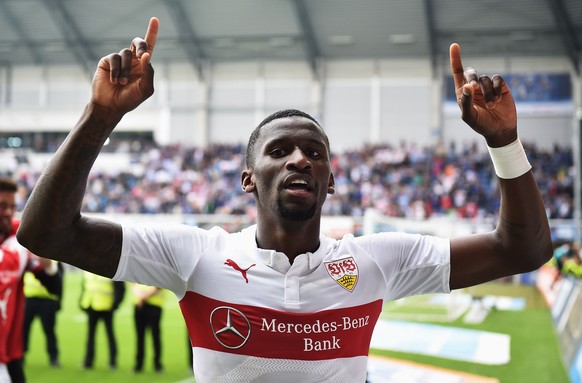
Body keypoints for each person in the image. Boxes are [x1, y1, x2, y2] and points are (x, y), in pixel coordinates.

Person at [16, 17, 552, 382]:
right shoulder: (195, 255)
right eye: (281, 150)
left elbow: (522, 250)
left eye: (315, 152)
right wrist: (101, 116)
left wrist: (503, 141)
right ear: (249, 179)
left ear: (332, 182)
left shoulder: (378, 261)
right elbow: (46, 234)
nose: (300, 159)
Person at [0, 178, 61, 383]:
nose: (8, 212)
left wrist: (49, 265)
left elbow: (54, 286)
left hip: (9, 355)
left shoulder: (19, 240)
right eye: (2, 206)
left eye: (12, 206)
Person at [79, 271, 125, 370]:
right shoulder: (87, 271)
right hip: (91, 305)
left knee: (110, 335)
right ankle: (88, 361)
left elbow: (120, 288)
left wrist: (115, 305)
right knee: (90, 335)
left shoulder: (109, 269)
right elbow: (85, 287)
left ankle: (113, 361)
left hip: (106, 306)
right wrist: (82, 302)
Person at [23, 261, 64, 368]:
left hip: (47, 299)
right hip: (29, 298)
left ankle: (53, 357)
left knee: (49, 330)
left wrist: (59, 301)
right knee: (24, 330)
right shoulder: (27, 256)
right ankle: (21, 356)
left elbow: (60, 280)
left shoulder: (53, 257)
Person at [131, 283, 166, 373]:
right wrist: (140, 295)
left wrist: (143, 297)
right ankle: (139, 364)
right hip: (139, 305)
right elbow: (133, 283)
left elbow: (159, 284)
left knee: (155, 336)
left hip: (154, 305)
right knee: (140, 336)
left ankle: (157, 364)